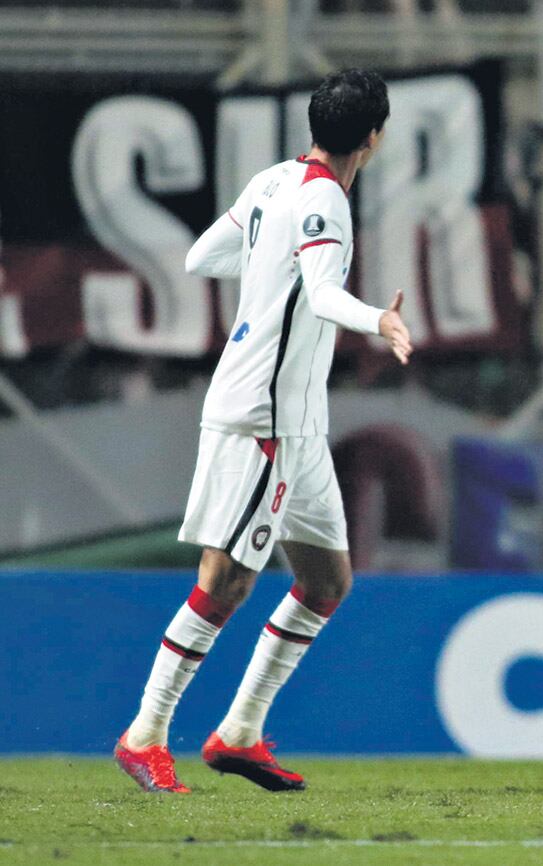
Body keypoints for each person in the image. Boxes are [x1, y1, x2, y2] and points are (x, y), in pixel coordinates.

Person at [115, 68, 412, 794]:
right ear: (372, 139)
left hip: (299, 425)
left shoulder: (274, 181)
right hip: (264, 420)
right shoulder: (327, 204)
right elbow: (321, 291)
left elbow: (199, 258)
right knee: (225, 581)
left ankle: (239, 732)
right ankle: (144, 734)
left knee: (325, 579)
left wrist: (262, 264)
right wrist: (379, 319)